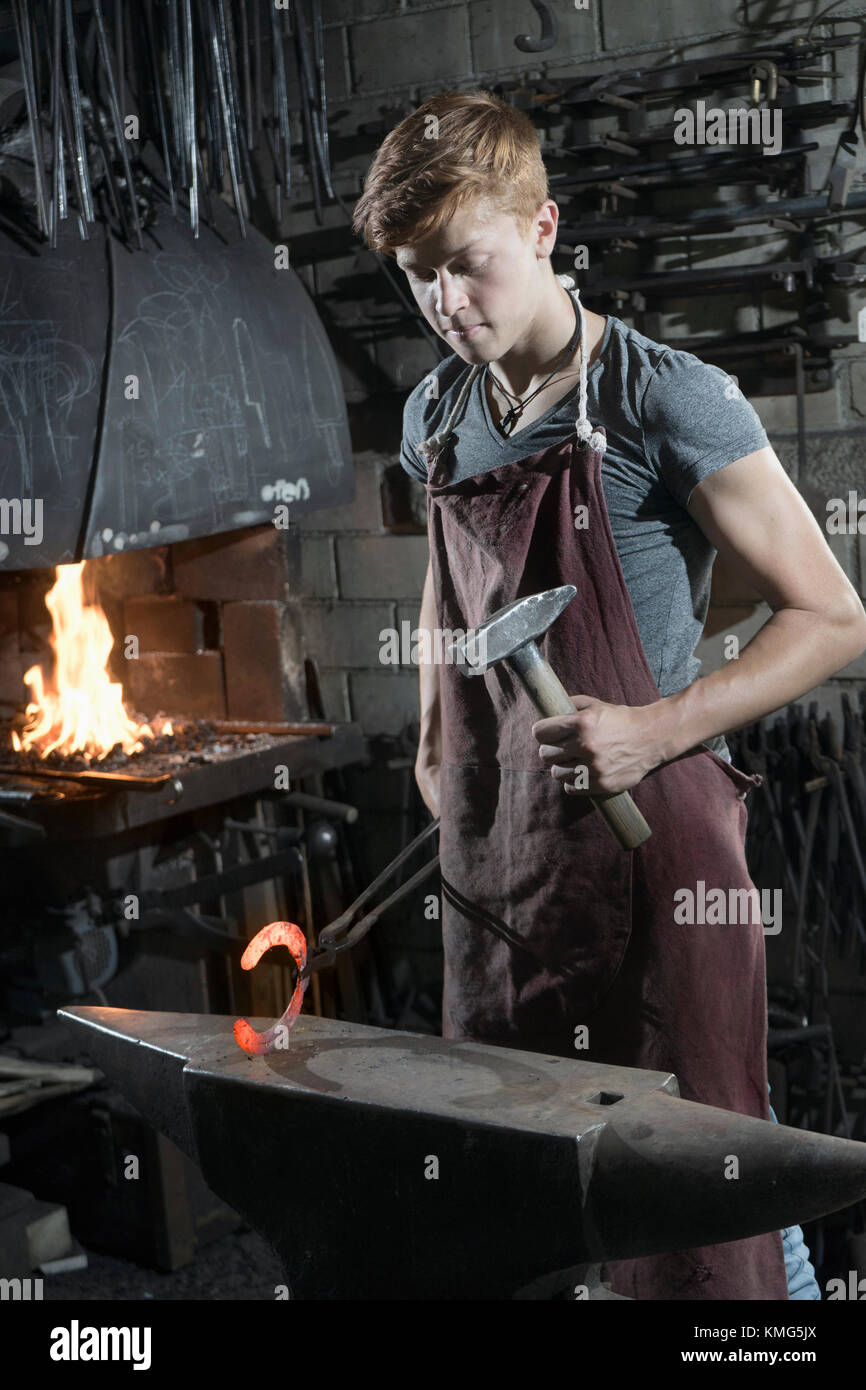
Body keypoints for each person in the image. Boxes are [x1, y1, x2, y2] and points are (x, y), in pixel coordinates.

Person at [352, 88, 865, 1300]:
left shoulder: (660, 393)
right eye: (418, 278)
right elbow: (445, 600)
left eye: (466, 267)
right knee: (518, 1157)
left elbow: (831, 613)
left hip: (655, 850)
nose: (445, 306)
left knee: (687, 1163)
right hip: (499, 853)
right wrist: (439, 746)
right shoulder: (437, 410)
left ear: (541, 228)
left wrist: (659, 726)